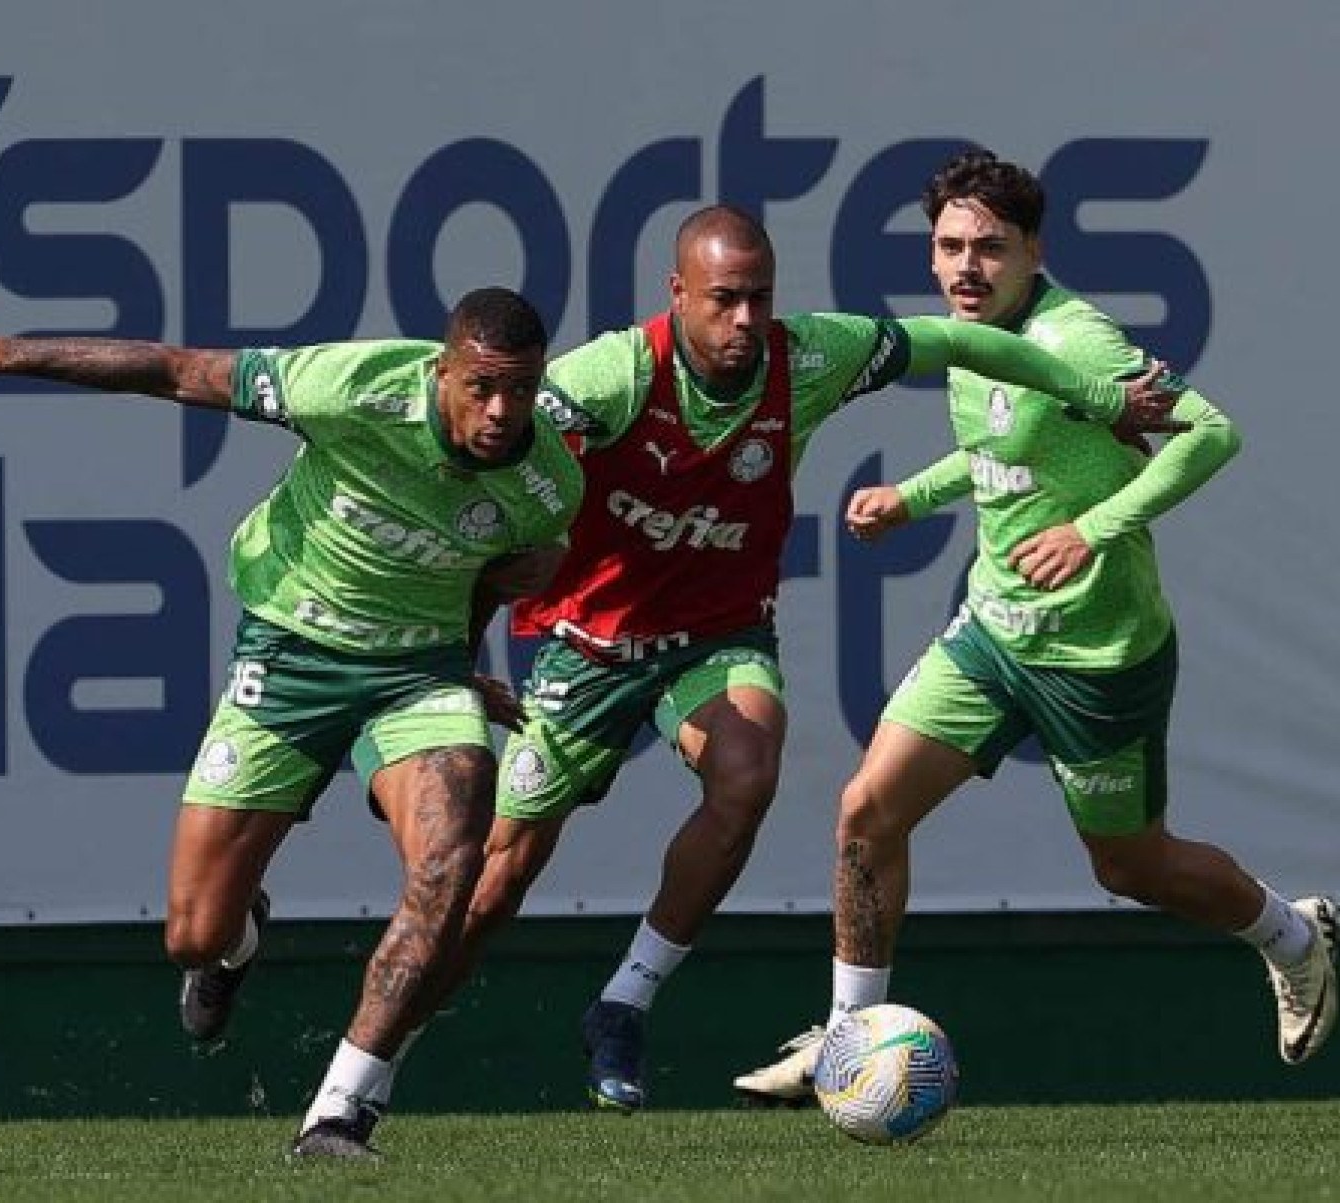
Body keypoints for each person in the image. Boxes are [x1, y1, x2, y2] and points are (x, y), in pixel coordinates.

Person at [425, 203, 1181, 1113]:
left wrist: (1101, 399)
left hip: (719, 634)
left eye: (760, 298)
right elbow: (481, 472)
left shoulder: (812, 356)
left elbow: (957, 343)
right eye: (724, 300)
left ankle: (624, 1000)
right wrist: (454, 646)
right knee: (496, 876)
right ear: (678, 295)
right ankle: (374, 1064)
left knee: (747, 774)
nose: (746, 320)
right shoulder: (614, 375)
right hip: (592, 642)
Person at [0, 285, 583, 1159]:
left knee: (450, 853)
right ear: (442, 371)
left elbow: (493, 575)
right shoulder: (352, 388)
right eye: (481, 387)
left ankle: (341, 1110)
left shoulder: (547, 480)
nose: (500, 410)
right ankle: (235, 946)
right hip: (291, 654)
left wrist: (458, 669)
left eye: (519, 389)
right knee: (193, 931)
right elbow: (176, 369)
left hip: (414, 676)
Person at [732, 149, 1340, 1105]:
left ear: (1033, 251)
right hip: (992, 634)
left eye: (990, 248)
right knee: (866, 810)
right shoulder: (969, 334)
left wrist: (1096, 529)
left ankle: (1292, 939)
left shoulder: (1081, 341)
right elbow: (998, 452)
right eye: (950, 246)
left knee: (1131, 864)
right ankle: (849, 1035)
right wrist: (914, 497)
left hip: (1099, 654)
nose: (966, 267)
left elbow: (1214, 432)